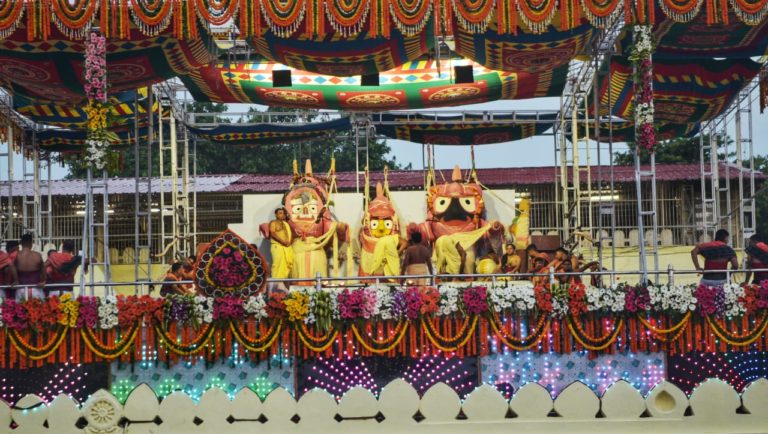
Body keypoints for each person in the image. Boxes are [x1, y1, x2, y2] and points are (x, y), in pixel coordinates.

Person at [14, 233, 46, 300]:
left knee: (20, 310)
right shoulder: (38, 255)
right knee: (39, 310)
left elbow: (12, 268)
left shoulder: (16, 255)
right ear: (31, 243)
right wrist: (43, 281)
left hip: (21, 289)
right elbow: (43, 271)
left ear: (21, 243)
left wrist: (16, 280)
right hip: (36, 289)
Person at [268, 207, 294, 279]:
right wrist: (283, 242)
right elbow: (273, 234)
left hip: (287, 247)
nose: (282, 215)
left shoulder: (286, 224)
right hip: (277, 247)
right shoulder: (273, 223)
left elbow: (291, 235)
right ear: (276, 215)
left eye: (283, 213)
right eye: (280, 213)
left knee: (287, 266)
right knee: (277, 264)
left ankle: (283, 283)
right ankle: (276, 283)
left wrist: (289, 242)